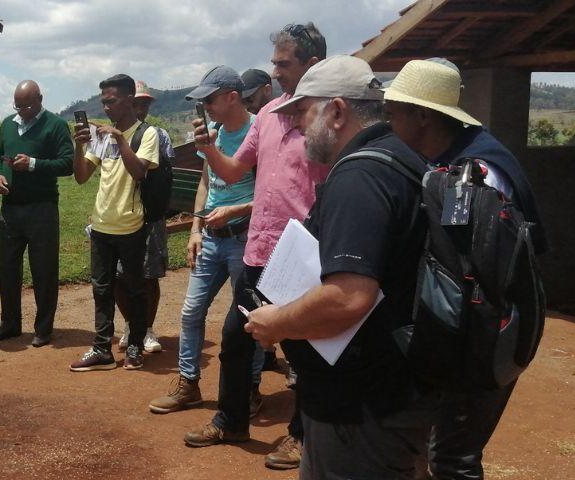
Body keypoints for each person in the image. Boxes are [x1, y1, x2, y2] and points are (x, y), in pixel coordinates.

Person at [245, 54, 436, 480]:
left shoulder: (359, 177)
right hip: (394, 391)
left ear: (336, 110)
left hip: (360, 405)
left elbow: (349, 297)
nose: (295, 125)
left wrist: (277, 322)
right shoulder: (400, 158)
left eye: (301, 111)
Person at [383, 58, 548, 480]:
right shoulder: (463, 153)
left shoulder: (476, 176)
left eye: (394, 111)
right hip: (487, 326)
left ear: (422, 116)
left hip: (486, 335)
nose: (388, 121)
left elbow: (481, 280)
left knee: (454, 459)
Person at [183, 23, 328, 470]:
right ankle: (231, 418)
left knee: (303, 348)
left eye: (283, 63)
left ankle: (302, 435)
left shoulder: (328, 118)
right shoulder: (267, 115)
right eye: (275, 62)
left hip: (303, 252)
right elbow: (232, 172)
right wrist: (208, 150)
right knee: (234, 337)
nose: (275, 71)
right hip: (259, 250)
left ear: (312, 65)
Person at [148, 66, 254, 414]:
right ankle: (188, 384)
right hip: (211, 236)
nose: (205, 106)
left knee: (247, 318)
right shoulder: (213, 133)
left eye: (210, 99)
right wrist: (195, 229)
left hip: (244, 237)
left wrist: (234, 211)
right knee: (191, 311)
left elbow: (268, 192)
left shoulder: (258, 132)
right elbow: (206, 183)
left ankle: (249, 389)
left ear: (232, 97)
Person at [68, 74, 159, 372]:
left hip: (131, 226)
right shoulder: (101, 137)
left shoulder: (147, 134)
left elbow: (140, 172)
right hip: (102, 225)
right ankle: (101, 349)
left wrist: (120, 138)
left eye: (111, 101)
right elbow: (82, 177)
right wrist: (79, 146)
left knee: (134, 289)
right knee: (101, 290)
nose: (106, 107)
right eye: (103, 102)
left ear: (130, 100)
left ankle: (134, 345)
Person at [0, 80, 74, 348]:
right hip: (11, 208)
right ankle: (10, 324)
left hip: (42, 208)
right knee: (8, 268)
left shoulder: (55, 125)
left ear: (40, 99)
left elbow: (68, 163)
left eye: (26, 105)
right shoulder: (8, 125)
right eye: (18, 105)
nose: (21, 110)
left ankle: (43, 328)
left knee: (44, 269)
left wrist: (34, 164)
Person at [114, 80, 173, 354]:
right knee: (118, 275)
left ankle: (147, 328)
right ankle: (130, 324)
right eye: (137, 102)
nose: (141, 108)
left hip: (149, 214)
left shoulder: (158, 135)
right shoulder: (112, 134)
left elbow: (156, 174)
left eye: (145, 103)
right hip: (119, 215)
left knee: (149, 276)